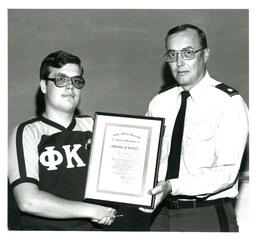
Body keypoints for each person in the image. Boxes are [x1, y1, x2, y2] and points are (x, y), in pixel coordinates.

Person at [140, 24, 249, 232]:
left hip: (205, 214)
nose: (179, 63)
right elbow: (145, 155)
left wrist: (173, 186)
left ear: (205, 55)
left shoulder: (228, 102)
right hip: (159, 215)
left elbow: (226, 173)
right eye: (172, 54)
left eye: (188, 53)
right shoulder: (159, 103)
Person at [8, 50, 117, 230]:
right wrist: (92, 211)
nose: (70, 87)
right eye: (60, 79)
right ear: (44, 86)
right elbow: (28, 201)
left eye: (76, 80)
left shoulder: (95, 126)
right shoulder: (27, 131)